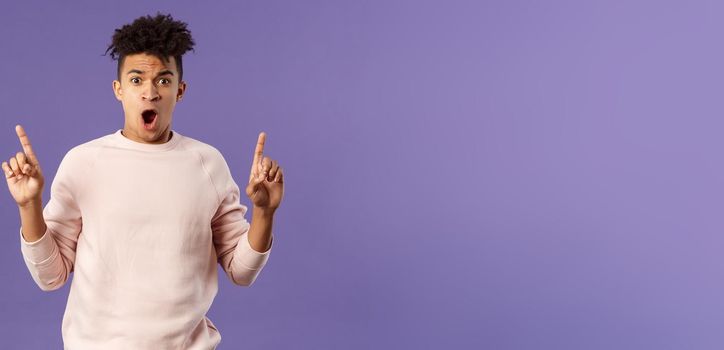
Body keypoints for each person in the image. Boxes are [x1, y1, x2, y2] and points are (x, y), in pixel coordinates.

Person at [1, 13, 284, 349]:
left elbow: (242, 271)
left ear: (180, 91)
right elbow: (51, 277)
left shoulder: (207, 164)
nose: (150, 93)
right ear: (118, 90)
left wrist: (264, 212)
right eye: (136, 81)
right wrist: (29, 205)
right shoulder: (83, 162)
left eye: (163, 81)